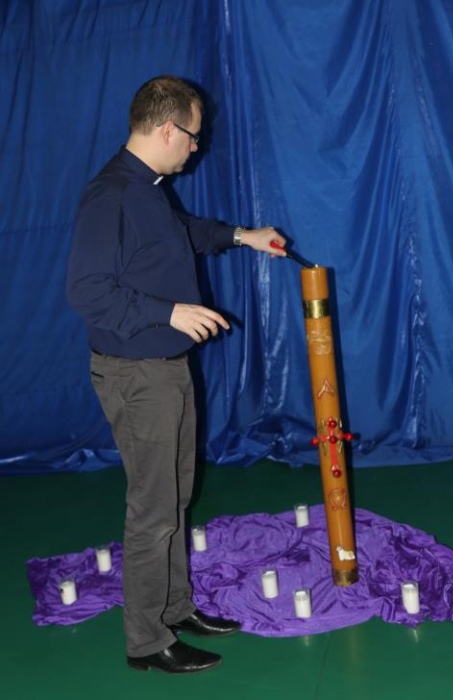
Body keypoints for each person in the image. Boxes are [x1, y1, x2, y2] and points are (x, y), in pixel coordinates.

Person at [66, 75, 286, 675]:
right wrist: (169, 312)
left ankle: (175, 607)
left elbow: (182, 234)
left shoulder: (148, 188)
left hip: (165, 368)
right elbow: (86, 291)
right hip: (137, 374)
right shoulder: (111, 195)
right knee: (154, 508)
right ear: (167, 129)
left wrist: (243, 236)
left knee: (176, 496)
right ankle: (146, 641)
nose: (196, 146)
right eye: (192, 135)